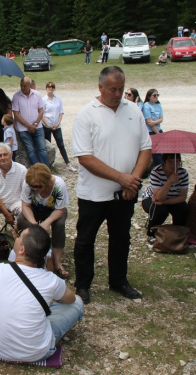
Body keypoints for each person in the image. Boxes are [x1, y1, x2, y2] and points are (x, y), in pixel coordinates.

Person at [72, 66, 152, 304]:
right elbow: (85, 158)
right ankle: (83, 285)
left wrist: (133, 181)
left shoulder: (134, 111)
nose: (117, 94)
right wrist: (121, 178)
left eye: (121, 89)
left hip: (125, 193)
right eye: (112, 89)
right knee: (86, 240)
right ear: (100, 87)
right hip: (94, 194)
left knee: (121, 238)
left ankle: (119, 281)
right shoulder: (86, 114)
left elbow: (145, 149)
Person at [0, 224, 84, 363]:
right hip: (37, 352)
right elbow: (71, 299)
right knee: (78, 302)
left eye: (19, 237)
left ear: (21, 250)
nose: (16, 237)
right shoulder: (52, 281)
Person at [20, 163, 69, 278]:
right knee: (22, 220)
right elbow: (25, 206)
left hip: (54, 210)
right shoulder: (27, 184)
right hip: (35, 208)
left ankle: (57, 262)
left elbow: (60, 209)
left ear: (47, 182)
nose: (36, 190)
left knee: (59, 225)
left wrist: (46, 223)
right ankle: (30, 255)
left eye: (39, 187)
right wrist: (34, 225)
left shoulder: (59, 185)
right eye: (33, 187)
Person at [141, 153, 189, 243]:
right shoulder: (156, 172)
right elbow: (158, 198)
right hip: (151, 198)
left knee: (183, 209)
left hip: (171, 199)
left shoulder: (183, 173)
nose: (174, 165)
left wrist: (165, 202)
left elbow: (182, 197)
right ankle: (151, 232)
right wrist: (169, 181)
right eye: (170, 162)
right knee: (160, 210)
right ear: (164, 162)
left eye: (177, 162)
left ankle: (177, 231)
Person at [0, 143, 26, 226]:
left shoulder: (22, 170)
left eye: (5, 155)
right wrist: (7, 214)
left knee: (25, 211)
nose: (3, 158)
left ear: (11, 155)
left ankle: (21, 232)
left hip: (16, 202)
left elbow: (26, 192)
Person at [12, 77, 49, 166]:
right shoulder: (16, 96)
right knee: (30, 150)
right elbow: (16, 114)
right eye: (21, 85)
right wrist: (28, 126)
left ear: (30, 85)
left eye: (25, 85)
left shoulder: (37, 94)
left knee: (42, 149)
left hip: (38, 126)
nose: (23, 87)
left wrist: (35, 124)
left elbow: (41, 111)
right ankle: (37, 171)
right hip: (23, 128)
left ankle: (45, 170)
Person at [42, 82, 77, 172]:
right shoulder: (43, 100)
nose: (51, 88)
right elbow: (42, 114)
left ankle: (68, 163)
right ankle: (49, 163)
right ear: (46, 88)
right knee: (48, 145)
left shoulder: (58, 99)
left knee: (61, 144)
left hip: (57, 125)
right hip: (47, 125)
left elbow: (61, 111)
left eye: (52, 87)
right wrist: (48, 125)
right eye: (49, 87)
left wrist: (58, 123)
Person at [142, 89, 164, 166]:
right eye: (154, 95)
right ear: (149, 97)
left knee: (163, 150)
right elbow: (149, 123)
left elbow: (161, 119)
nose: (156, 97)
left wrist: (154, 122)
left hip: (159, 130)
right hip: (151, 132)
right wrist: (158, 134)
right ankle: (160, 167)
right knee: (156, 151)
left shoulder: (158, 105)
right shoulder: (146, 106)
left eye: (157, 95)